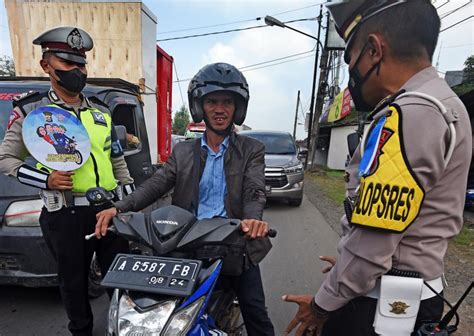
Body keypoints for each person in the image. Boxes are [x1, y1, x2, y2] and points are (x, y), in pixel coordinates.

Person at [283, 1, 472, 335]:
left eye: (350, 58)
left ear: (374, 49)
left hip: (382, 306)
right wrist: (348, 265)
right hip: (403, 295)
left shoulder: (412, 115)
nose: (351, 72)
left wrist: (321, 305)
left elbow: (373, 245)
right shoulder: (439, 104)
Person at [96, 62, 275, 335]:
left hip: (234, 243)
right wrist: (117, 208)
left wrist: (252, 221)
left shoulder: (252, 149)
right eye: (212, 101)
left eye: (227, 102)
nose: (219, 109)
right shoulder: (183, 151)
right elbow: (156, 185)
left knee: (256, 314)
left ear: (237, 107)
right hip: (186, 241)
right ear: (199, 106)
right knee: (158, 309)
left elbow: (254, 189)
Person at [0, 26, 135, 336]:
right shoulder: (31, 109)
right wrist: (45, 179)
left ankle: (124, 329)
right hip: (66, 214)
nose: (78, 71)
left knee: (122, 280)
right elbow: (6, 159)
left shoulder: (101, 111)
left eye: (82, 64)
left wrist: (127, 203)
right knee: (74, 286)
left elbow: (117, 160)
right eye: (68, 64)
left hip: (109, 211)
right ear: (46, 65)